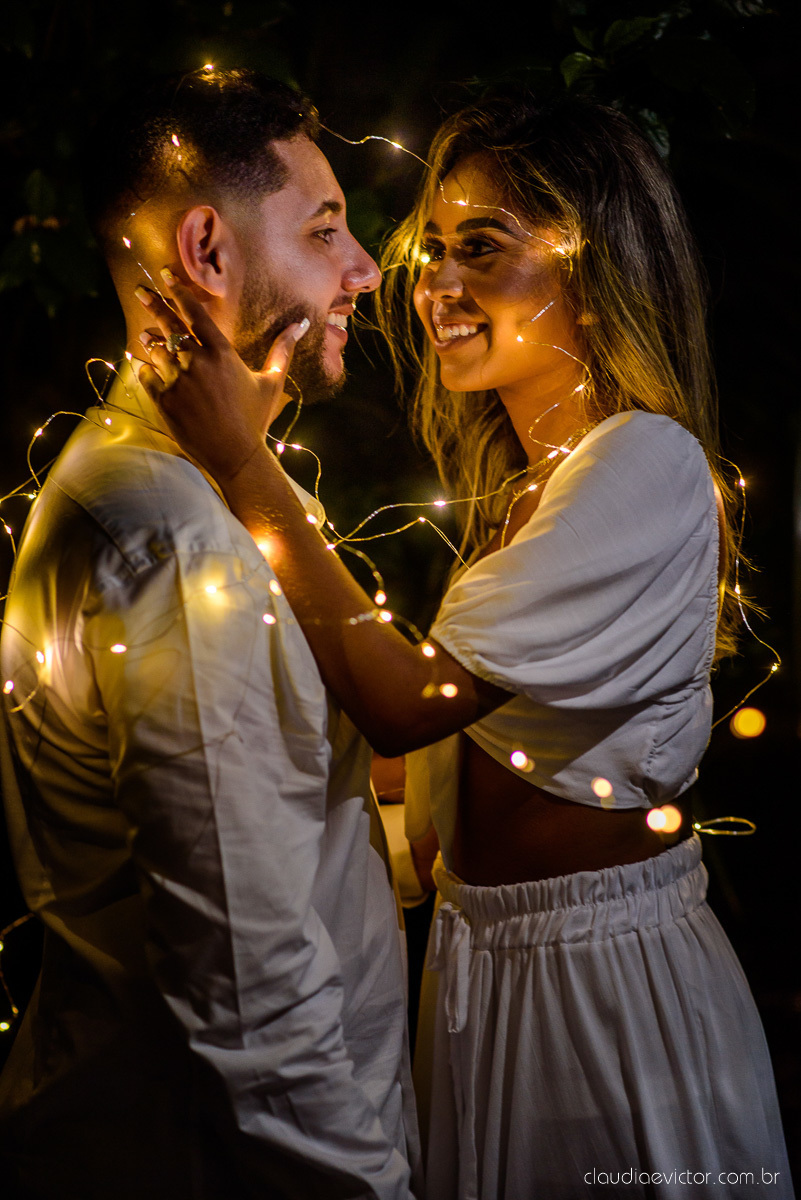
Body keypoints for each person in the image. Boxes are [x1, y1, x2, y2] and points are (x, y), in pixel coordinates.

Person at [133, 92, 793, 1198]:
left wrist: (246, 468)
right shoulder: (524, 496)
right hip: (485, 973)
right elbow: (431, 781)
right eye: (434, 250)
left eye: (481, 249)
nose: (436, 287)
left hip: (600, 989)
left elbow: (410, 699)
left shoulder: (646, 463)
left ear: (595, 267)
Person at [0, 69, 422, 1199]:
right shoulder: (177, 547)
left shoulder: (192, 499)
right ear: (208, 250)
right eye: (326, 230)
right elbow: (250, 990)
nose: (364, 271)